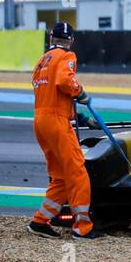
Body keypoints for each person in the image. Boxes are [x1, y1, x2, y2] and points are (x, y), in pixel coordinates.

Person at [28, 22, 100, 240]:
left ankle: (40, 221)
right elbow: (64, 81)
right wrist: (80, 92)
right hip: (57, 121)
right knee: (77, 171)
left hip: (40, 120)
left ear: (50, 38)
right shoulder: (67, 56)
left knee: (59, 176)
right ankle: (83, 226)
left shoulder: (41, 61)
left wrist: (77, 117)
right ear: (71, 40)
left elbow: (48, 91)